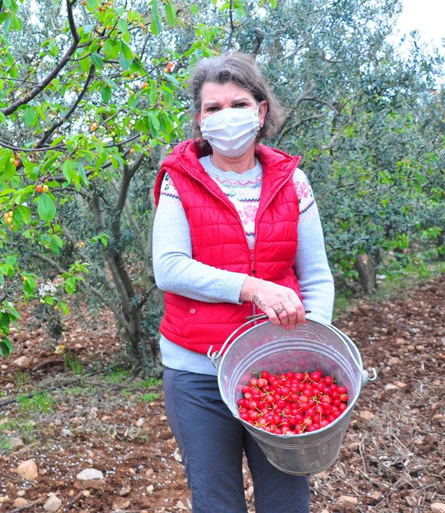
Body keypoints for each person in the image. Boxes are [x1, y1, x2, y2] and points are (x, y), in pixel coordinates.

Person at [151, 52, 335, 513]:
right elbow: (169, 267)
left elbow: (316, 277)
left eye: (238, 103)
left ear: (261, 111)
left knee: (287, 498)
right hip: (199, 372)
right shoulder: (180, 180)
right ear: (199, 120)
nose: (225, 116)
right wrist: (254, 289)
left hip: (276, 368)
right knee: (216, 501)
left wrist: (309, 349)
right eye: (213, 108)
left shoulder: (294, 183)